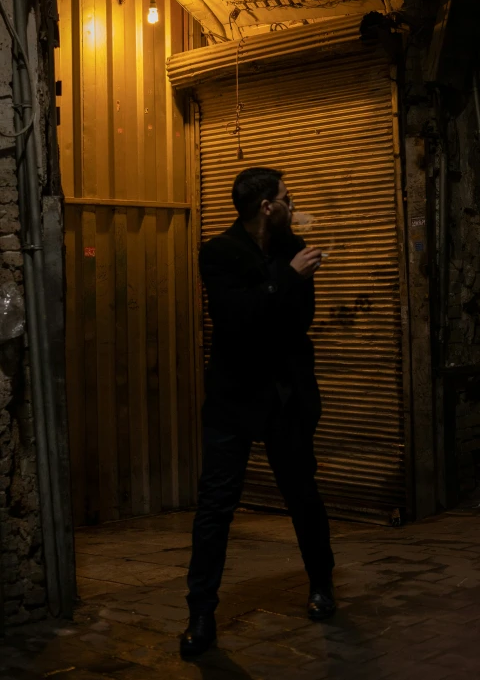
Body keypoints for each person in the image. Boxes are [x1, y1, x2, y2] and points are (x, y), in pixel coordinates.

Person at [180, 167, 335, 659]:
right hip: (234, 399)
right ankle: (201, 615)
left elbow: (297, 320)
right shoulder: (219, 252)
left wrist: (277, 290)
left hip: (287, 398)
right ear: (267, 206)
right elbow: (235, 319)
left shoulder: (294, 249)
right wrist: (283, 282)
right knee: (215, 507)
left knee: (303, 495)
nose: (294, 203)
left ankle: (321, 584)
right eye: (287, 197)